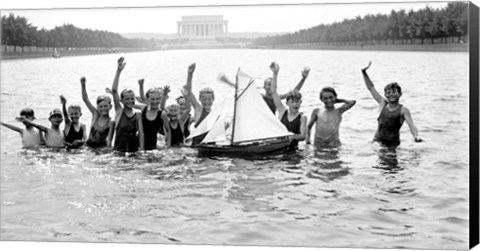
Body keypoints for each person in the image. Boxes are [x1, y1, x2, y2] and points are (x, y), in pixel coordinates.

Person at [361, 61, 422, 146]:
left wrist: (416, 136)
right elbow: (370, 87)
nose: (391, 94)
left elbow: (411, 125)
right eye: (388, 92)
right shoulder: (382, 104)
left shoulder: (403, 110)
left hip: (392, 145)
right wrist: (364, 73)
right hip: (377, 141)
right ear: (385, 95)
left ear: (400, 94)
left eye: (394, 92)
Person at [270, 62, 307, 148]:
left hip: (292, 149)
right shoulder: (282, 110)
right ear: (287, 103)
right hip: (277, 147)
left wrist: (292, 136)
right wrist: (275, 73)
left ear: (300, 102)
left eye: (297, 101)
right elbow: (273, 92)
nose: (295, 104)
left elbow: (303, 136)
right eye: (293, 102)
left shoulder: (302, 117)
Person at [111, 57, 143, 153]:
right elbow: (114, 91)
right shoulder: (119, 111)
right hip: (118, 151)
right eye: (127, 99)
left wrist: (141, 148)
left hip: (133, 151)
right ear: (121, 101)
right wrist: (118, 71)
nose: (130, 101)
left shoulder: (138, 115)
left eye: (132, 98)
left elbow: (141, 133)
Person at [183, 63, 214, 145]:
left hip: (211, 143)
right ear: (200, 99)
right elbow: (189, 92)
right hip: (198, 144)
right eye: (204, 99)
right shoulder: (198, 109)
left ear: (213, 99)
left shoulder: (215, 114)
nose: (207, 102)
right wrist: (190, 74)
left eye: (209, 99)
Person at [80, 77, 115, 148]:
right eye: (101, 106)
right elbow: (85, 99)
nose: (103, 108)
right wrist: (83, 85)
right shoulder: (95, 115)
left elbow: (109, 140)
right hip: (89, 147)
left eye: (105, 106)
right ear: (97, 107)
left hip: (101, 148)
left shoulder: (111, 122)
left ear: (110, 106)